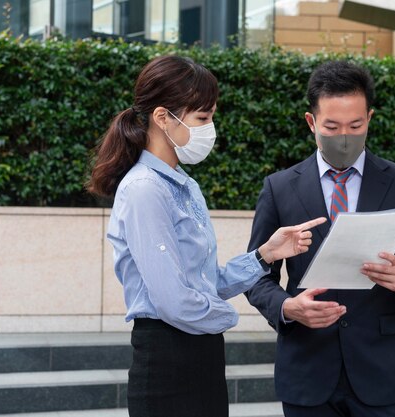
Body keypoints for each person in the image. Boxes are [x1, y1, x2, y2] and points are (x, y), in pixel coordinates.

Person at [87, 55, 325, 417]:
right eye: (203, 118)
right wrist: (230, 319)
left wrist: (265, 255)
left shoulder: (185, 186)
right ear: (163, 117)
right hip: (166, 356)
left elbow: (205, 281)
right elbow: (174, 300)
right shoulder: (144, 189)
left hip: (201, 352)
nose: (210, 128)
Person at [245, 60, 395, 417]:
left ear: (369, 118)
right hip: (307, 373)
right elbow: (257, 274)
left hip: (384, 374)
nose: (344, 137)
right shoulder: (279, 188)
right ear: (311, 123)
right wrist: (287, 308)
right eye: (332, 126)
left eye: (355, 125)